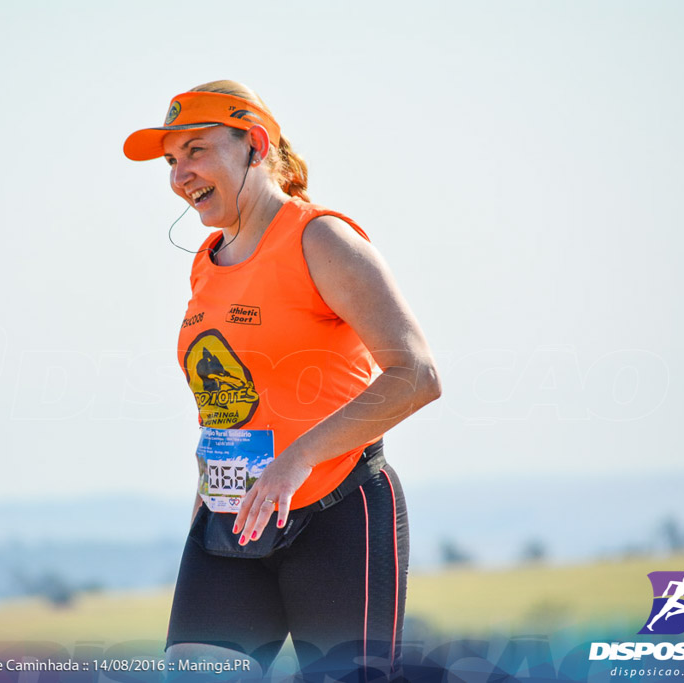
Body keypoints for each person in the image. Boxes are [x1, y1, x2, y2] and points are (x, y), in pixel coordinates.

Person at [123, 80, 441, 681]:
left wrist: (295, 461)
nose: (179, 175)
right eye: (170, 161)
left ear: (255, 145)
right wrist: (204, 504)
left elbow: (416, 374)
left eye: (196, 150)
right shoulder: (205, 262)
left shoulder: (320, 237)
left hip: (338, 510)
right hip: (231, 521)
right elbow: (228, 404)